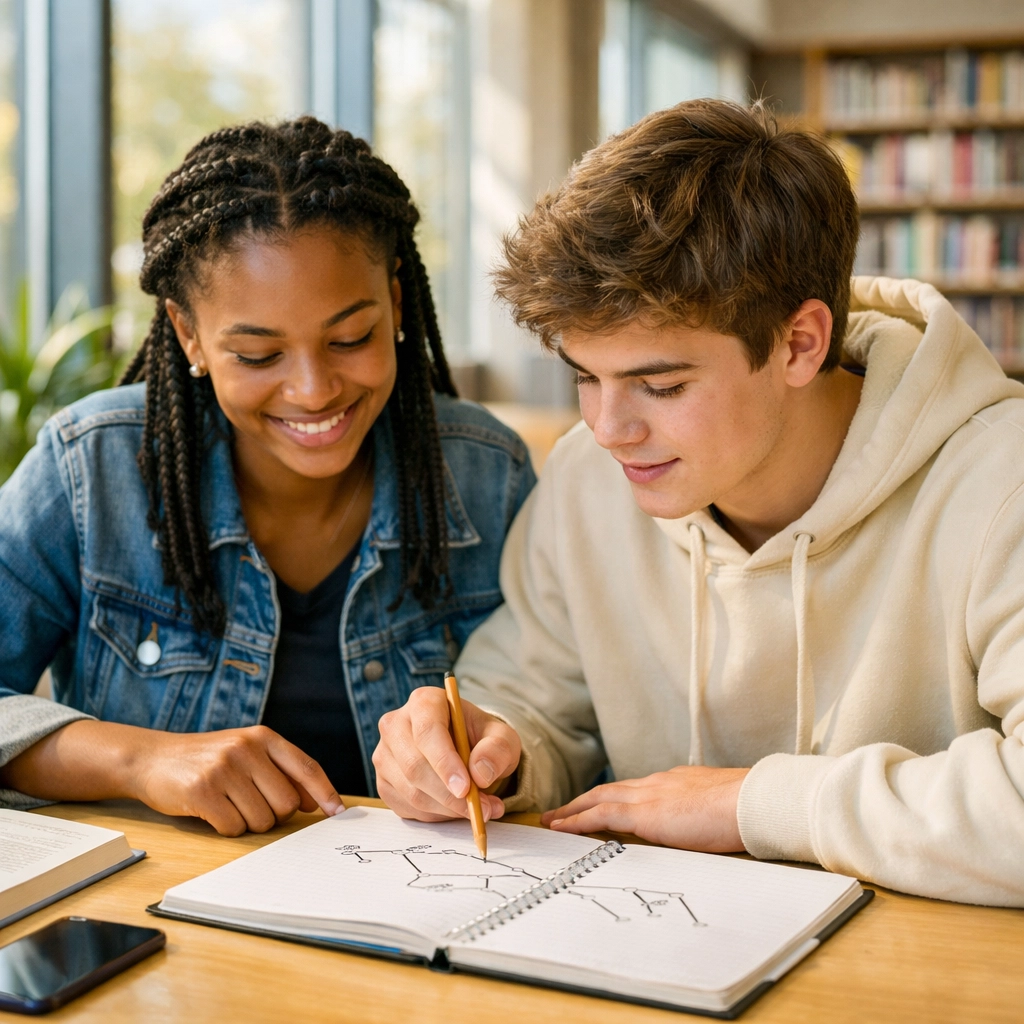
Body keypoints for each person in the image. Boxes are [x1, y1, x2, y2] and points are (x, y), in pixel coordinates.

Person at [373, 99, 1024, 907]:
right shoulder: (587, 477)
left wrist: (752, 804)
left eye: (662, 385)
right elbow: (533, 696)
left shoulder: (1004, 481)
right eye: (585, 376)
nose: (609, 429)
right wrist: (489, 749)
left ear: (800, 343)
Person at [0, 117, 534, 837]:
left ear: (398, 304)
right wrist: (139, 761)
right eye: (257, 355)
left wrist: (505, 752)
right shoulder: (92, 467)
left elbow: (564, 711)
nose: (313, 391)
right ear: (188, 335)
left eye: (352, 338)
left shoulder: (484, 473)